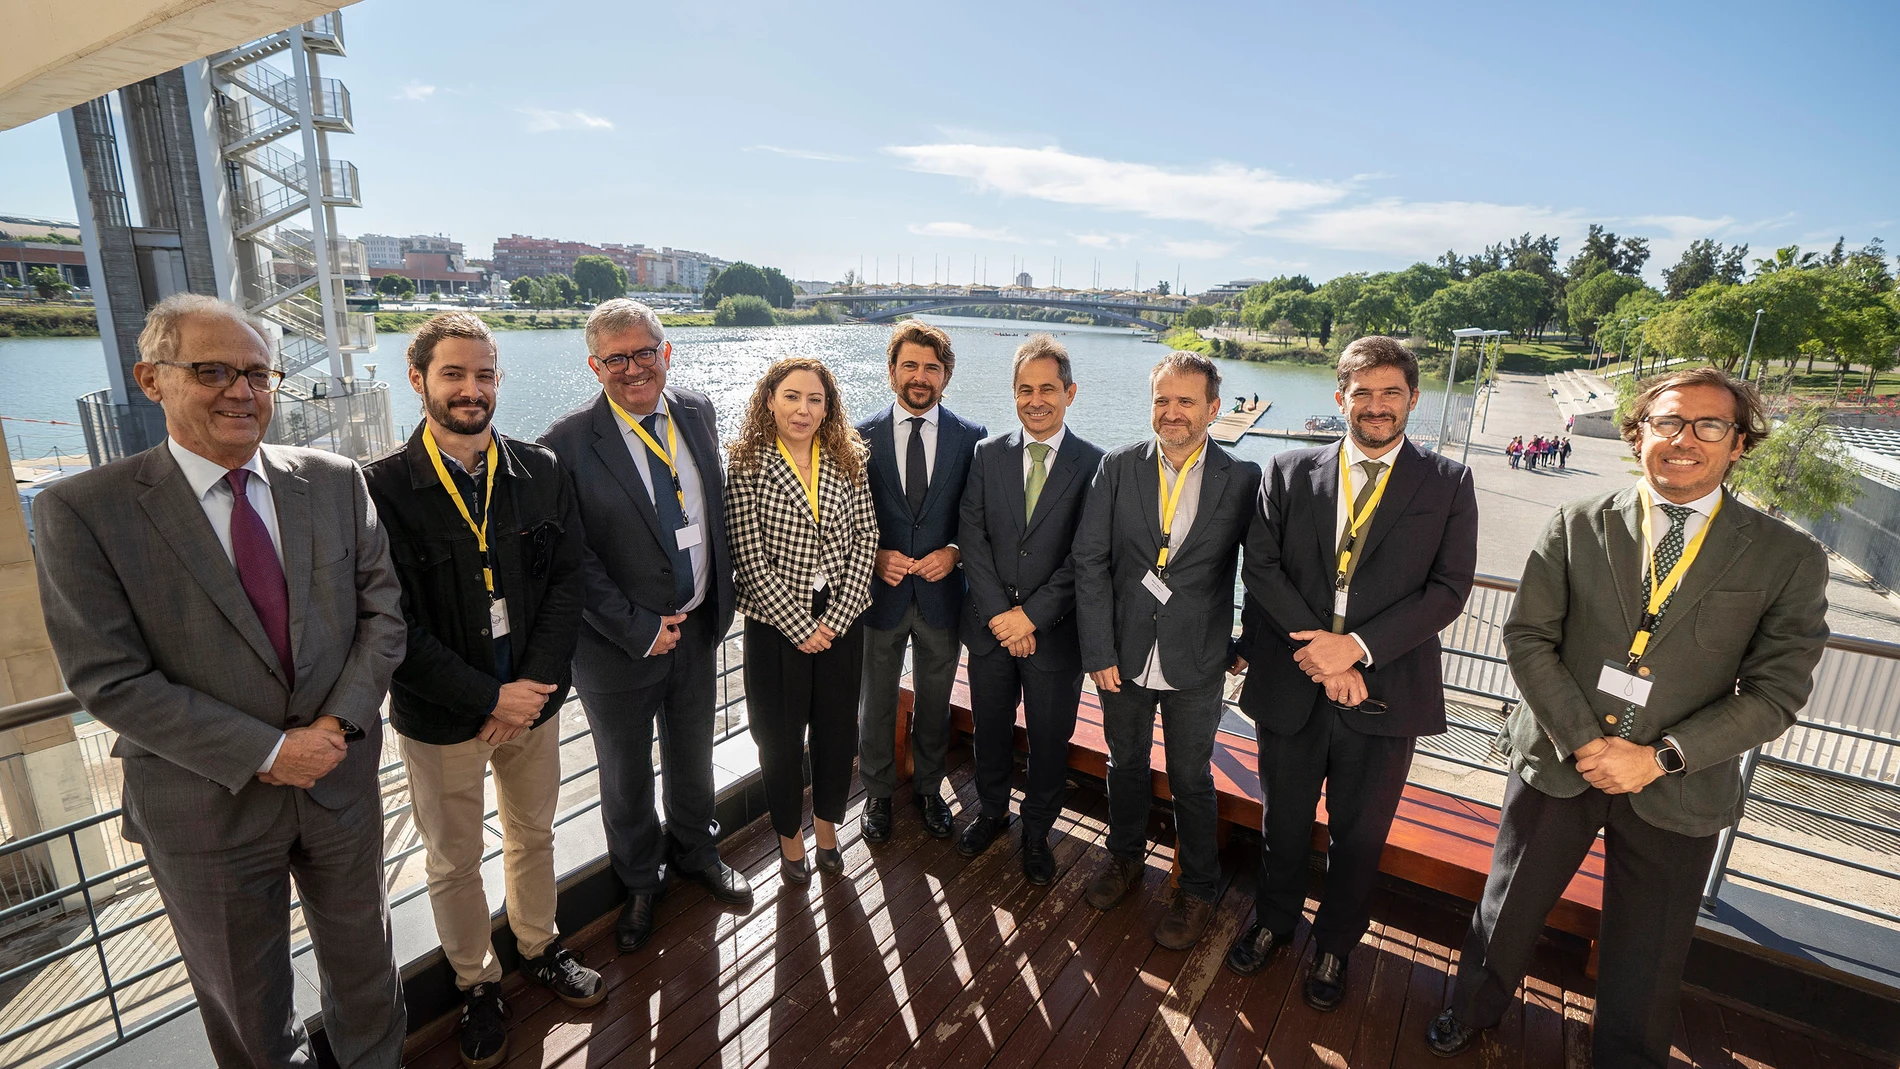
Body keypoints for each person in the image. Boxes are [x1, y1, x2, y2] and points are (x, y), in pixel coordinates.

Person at [32, 294, 406, 1067]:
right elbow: (110, 680)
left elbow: (384, 617)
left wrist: (332, 730)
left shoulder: (336, 481)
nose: (242, 390)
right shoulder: (84, 511)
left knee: (369, 977)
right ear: (151, 379)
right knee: (248, 1009)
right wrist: (270, 750)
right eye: (212, 370)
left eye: (257, 373)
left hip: (338, 784)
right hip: (206, 809)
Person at [1428, 368, 1830, 1066]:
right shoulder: (1575, 521)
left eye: (1710, 425)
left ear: (1739, 444)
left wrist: (1657, 756)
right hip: (1560, 760)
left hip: (1679, 783)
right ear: (1637, 431)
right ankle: (1471, 1008)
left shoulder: (1788, 557)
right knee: (1509, 906)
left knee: (1651, 946)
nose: (1684, 439)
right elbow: (1528, 637)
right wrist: (1587, 740)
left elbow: (1775, 692)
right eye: (1668, 422)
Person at [364, 313, 600, 1068]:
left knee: (535, 834)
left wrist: (530, 687)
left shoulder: (540, 470)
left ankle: (539, 945)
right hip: (441, 717)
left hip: (531, 703)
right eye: (455, 374)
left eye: (485, 373)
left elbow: (566, 583)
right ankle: (476, 982)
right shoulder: (382, 489)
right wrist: (487, 698)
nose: (473, 389)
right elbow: (390, 625)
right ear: (418, 380)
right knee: (452, 858)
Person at [1225, 337, 1478, 1010]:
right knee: (1282, 820)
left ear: (1413, 399)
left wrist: (1356, 648)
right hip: (1293, 681)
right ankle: (1274, 922)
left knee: (1360, 834)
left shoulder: (1448, 483)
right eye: (1361, 393)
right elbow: (1264, 568)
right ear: (1339, 398)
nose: (1375, 406)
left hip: (1385, 691)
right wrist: (1322, 649)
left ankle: (1336, 943)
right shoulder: (1285, 469)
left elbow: (1449, 590)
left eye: (1390, 392)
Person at [539, 299, 752, 956]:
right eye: (616, 358)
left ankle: (697, 851)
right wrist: (636, 626)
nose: (633, 368)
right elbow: (573, 558)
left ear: (667, 351)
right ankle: (640, 879)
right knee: (626, 775)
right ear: (595, 365)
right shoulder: (565, 444)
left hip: (696, 631)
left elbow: (710, 512)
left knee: (692, 757)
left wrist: (719, 602)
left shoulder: (697, 411)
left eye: (644, 352)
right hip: (616, 649)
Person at [1073, 351, 1261, 949]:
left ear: (1212, 408)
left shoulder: (1243, 480)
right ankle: (1124, 860)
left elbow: (1261, 570)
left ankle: (1197, 888)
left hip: (1198, 658)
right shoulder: (1118, 467)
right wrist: (1098, 647)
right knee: (1124, 765)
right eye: (1162, 400)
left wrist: (1245, 643)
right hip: (1123, 654)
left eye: (1185, 401)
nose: (1172, 412)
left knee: (1191, 779)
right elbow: (1090, 561)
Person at [955, 335, 1105, 882]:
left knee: (1049, 741)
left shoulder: (1095, 464)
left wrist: (1030, 617)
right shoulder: (987, 455)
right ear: (1013, 394)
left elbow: (1085, 556)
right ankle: (992, 813)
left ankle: (1038, 831)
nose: (1035, 400)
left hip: (1053, 636)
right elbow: (972, 536)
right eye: (1025, 389)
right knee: (990, 729)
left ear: (1070, 393)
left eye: (1047, 389)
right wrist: (1001, 616)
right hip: (991, 630)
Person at [725, 357, 878, 882]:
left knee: (838, 734)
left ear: (828, 406)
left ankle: (829, 826)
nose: (802, 409)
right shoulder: (746, 464)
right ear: (770, 399)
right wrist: (799, 626)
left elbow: (866, 540)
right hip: (775, 626)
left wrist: (835, 619)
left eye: (815, 399)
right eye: (791, 396)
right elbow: (748, 555)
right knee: (779, 738)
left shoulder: (848, 457)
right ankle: (790, 838)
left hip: (841, 618)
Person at [856, 320, 987, 842]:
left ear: (946, 375)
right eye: (909, 364)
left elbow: (978, 521)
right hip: (877, 597)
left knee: (935, 701)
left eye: (932, 367)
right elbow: (843, 520)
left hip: (941, 597)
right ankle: (877, 795)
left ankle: (930, 789)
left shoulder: (971, 439)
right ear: (891, 371)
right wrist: (873, 556)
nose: (920, 376)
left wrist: (955, 553)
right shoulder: (856, 436)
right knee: (877, 700)